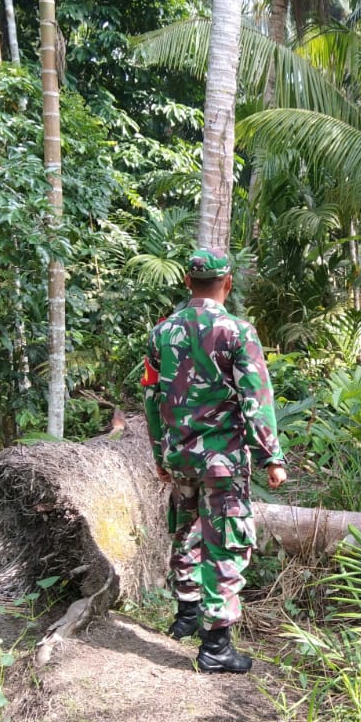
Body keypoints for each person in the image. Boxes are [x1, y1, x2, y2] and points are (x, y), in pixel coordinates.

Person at [143, 249, 288, 674]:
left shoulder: (161, 334)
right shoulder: (237, 331)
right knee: (224, 539)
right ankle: (216, 647)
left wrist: (159, 454)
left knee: (186, 529)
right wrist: (271, 457)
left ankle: (186, 614)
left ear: (188, 282)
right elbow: (255, 399)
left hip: (180, 455)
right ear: (227, 284)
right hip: (222, 460)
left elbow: (152, 399)